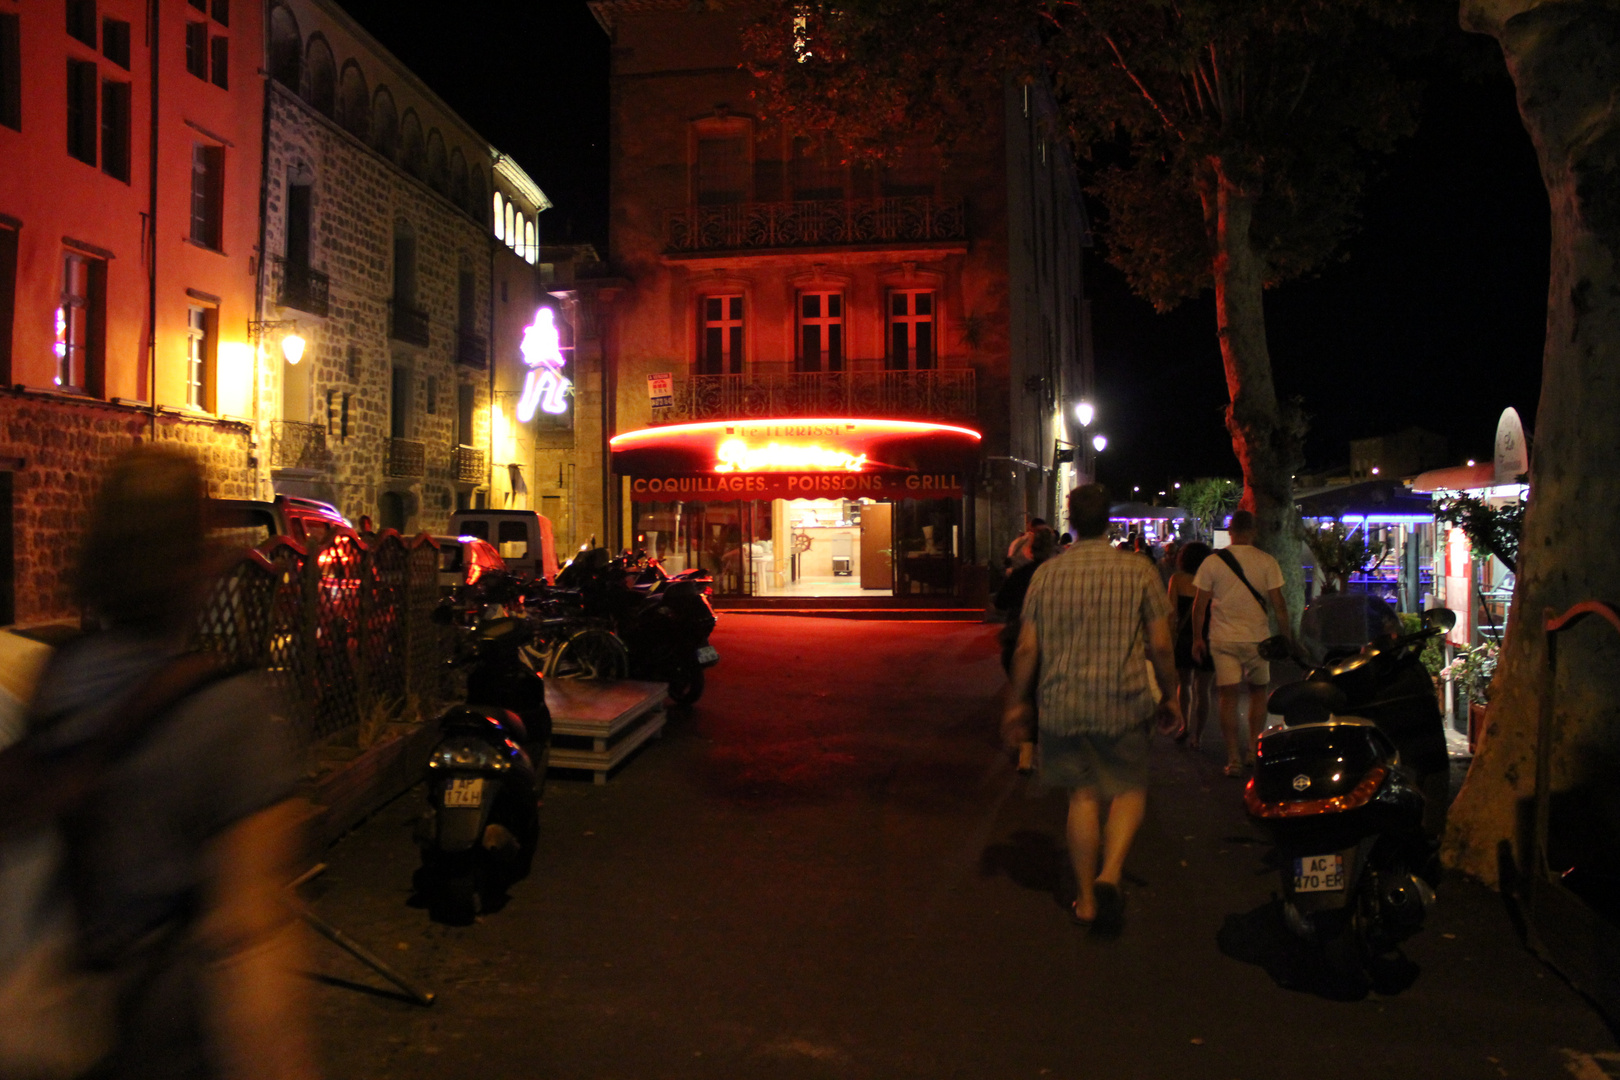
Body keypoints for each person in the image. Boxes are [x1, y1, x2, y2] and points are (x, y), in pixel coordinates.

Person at [2, 447, 320, 1080]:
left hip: (61, 1034)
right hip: (166, 1049)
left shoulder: (51, 682)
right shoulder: (231, 716)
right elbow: (249, 944)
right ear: (195, 566)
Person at [1003, 485, 1181, 933]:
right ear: (1109, 519)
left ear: (1071, 519)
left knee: (1081, 797)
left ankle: (1085, 900)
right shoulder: (1139, 570)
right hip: (1123, 701)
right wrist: (1171, 691)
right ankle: (1110, 873)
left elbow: (1026, 649)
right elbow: (1160, 642)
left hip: (1062, 704)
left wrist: (1017, 703)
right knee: (1128, 787)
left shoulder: (1046, 574)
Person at [1190, 510, 1294, 776]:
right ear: (1253, 532)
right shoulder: (1267, 561)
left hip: (1222, 638)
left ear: (1231, 531)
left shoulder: (1212, 563)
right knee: (1258, 693)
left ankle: (1233, 758)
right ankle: (1252, 750)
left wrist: (1197, 638)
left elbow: (1199, 606)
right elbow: (1279, 605)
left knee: (1228, 697)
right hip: (1257, 640)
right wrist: (1286, 637)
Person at [994, 525, 1060, 772]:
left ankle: (1026, 750)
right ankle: (1041, 747)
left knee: (1025, 692)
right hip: (1051, 641)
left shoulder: (1021, 575)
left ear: (1030, 550)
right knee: (1044, 695)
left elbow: (1000, 602)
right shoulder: (1056, 577)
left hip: (1017, 638)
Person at [1168, 541, 1216, 748]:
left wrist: (1170, 640)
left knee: (1184, 684)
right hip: (1208, 637)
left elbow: (1171, 613)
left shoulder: (1177, 579)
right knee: (1203, 689)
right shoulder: (1212, 580)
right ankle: (1199, 735)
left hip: (1185, 638)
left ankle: (1184, 726)